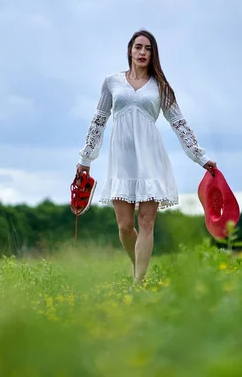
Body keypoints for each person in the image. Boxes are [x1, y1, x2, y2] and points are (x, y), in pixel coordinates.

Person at [76, 29, 217, 283]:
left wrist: (200, 158)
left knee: (147, 222)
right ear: (130, 50)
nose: (142, 52)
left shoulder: (160, 86)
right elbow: (98, 121)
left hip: (152, 159)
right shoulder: (112, 82)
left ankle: (138, 284)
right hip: (122, 161)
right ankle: (138, 267)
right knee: (125, 227)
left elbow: (179, 124)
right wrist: (86, 159)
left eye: (148, 48)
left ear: (153, 55)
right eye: (138, 47)